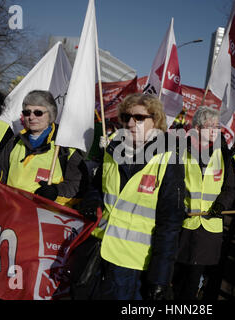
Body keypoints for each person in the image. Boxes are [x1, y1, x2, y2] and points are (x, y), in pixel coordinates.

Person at [76, 93, 185, 300]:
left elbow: (169, 225)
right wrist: (92, 201)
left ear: (156, 121)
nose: (130, 123)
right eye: (126, 117)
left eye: (139, 117)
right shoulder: (111, 150)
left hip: (132, 266)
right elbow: (98, 188)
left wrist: (161, 278)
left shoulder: (169, 160)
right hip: (98, 254)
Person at [0, 90, 88, 207]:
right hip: (9, 211)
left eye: (38, 113)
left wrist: (56, 192)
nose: (31, 117)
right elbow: (1, 171)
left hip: (44, 216)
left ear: (51, 114)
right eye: (27, 112)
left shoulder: (65, 148)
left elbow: (78, 187)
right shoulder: (15, 141)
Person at [172, 106, 235, 300]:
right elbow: (172, 184)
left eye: (217, 127)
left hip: (209, 228)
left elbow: (230, 189)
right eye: (211, 127)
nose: (216, 131)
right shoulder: (181, 151)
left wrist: (221, 206)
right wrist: (177, 206)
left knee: (193, 281)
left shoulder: (224, 155)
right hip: (183, 226)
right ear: (198, 129)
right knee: (176, 278)